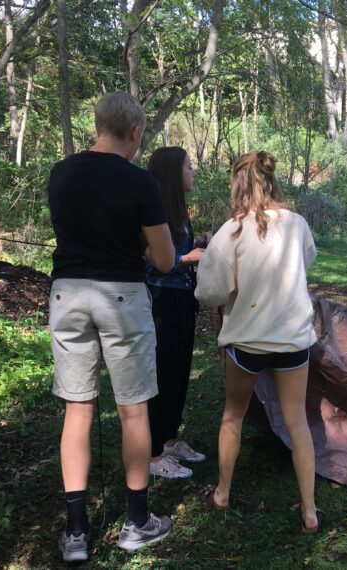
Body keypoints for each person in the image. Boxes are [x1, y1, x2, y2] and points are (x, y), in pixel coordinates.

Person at [48, 92, 174, 562]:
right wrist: (137, 249)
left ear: (98, 124)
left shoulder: (60, 173)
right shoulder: (141, 182)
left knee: (77, 411)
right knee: (133, 411)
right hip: (121, 297)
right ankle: (137, 522)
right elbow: (163, 260)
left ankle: (76, 532)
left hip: (68, 295)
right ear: (136, 132)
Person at [195, 151, 323, 533]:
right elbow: (308, 260)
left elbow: (209, 293)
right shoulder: (297, 224)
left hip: (245, 343)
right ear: (271, 182)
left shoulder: (230, 231)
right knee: (297, 422)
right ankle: (310, 512)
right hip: (293, 341)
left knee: (232, 415)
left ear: (239, 184)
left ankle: (222, 493)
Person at [144, 147, 211, 479]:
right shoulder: (152, 210)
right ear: (173, 173)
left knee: (181, 370)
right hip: (161, 301)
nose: (192, 171)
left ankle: (170, 440)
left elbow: (178, 249)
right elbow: (151, 258)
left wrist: (197, 242)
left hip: (183, 298)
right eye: (188, 166)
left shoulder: (178, 210)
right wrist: (189, 258)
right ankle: (153, 453)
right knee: (162, 374)